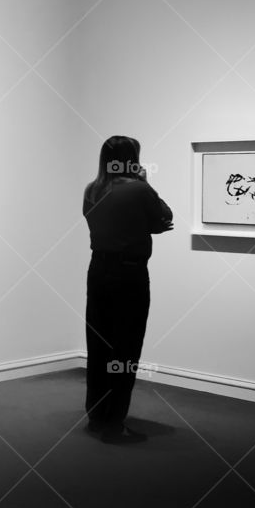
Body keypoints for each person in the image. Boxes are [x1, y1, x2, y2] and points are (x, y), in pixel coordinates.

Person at [82, 136, 173, 444]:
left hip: (98, 273)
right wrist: (144, 182)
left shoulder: (92, 190)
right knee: (126, 347)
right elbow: (164, 218)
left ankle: (96, 415)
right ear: (133, 158)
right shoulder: (139, 189)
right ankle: (115, 421)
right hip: (129, 274)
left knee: (99, 344)